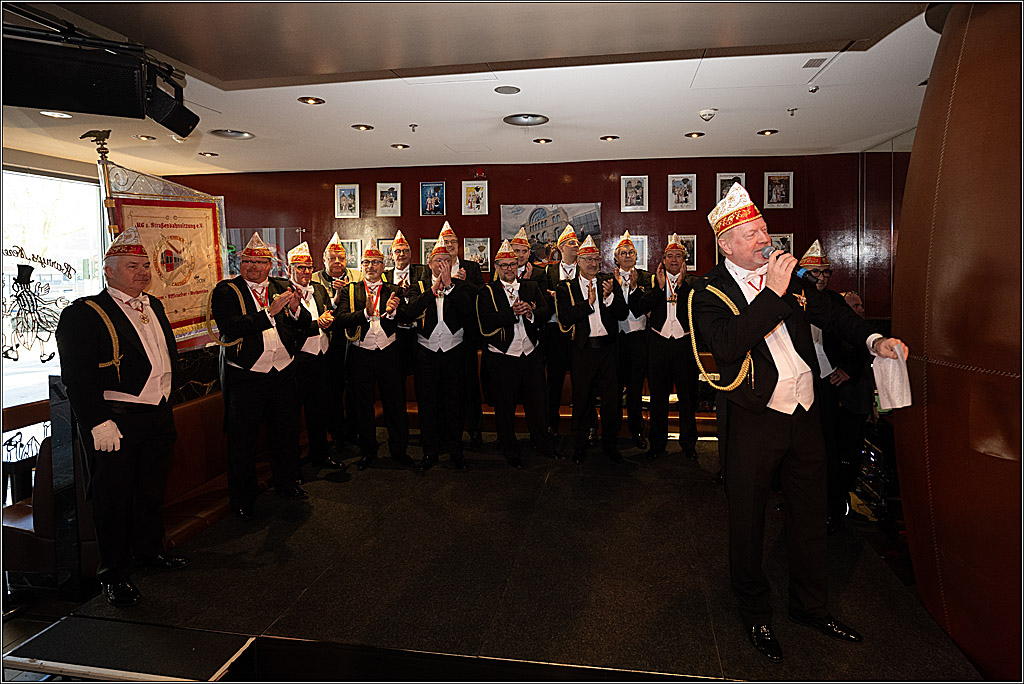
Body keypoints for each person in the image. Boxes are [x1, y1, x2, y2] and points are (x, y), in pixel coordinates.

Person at [692, 183, 908, 663]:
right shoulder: (706, 291)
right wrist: (771, 293)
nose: (764, 239)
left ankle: (810, 606)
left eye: (764, 229)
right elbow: (726, 347)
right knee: (747, 520)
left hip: (806, 413)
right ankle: (755, 613)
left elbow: (835, 318)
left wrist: (875, 341)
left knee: (810, 515)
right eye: (752, 233)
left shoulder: (796, 278)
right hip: (753, 418)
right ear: (726, 244)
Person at [55, 227, 187, 607]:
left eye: (146, 266)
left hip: (158, 415)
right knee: (113, 500)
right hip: (117, 420)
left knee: (150, 491)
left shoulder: (154, 305)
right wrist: (98, 422)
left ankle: (149, 552)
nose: (143, 272)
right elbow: (77, 377)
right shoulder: (84, 314)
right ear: (109, 271)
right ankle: (114, 575)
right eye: (133, 266)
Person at [211, 232, 312, 522]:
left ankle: (287, 483)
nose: (252, 267)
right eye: (246, 261)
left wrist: (294, 310)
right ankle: (242, 499)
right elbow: (230, 326)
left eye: (258, 262)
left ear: (270, 265)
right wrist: (270, 312)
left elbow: (304, 324)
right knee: (242, 441)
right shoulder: (227, 291)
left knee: (286, 432)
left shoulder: (282, 286)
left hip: (282, 374)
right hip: (247, 378)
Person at [334, 244, 414, 471]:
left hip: (389, 352)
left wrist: (394, 311)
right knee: (362, 406)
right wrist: (365, 314)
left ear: (384, 266)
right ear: (361, 266)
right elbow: (340, 320)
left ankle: (399, 450)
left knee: (395, 404)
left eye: (376, 262)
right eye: (366, 263)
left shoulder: (394, 289)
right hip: (361, 354)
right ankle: (368, 450)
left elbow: (408, 317)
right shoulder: (351, 290)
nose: (371, 267)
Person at [477, 239, 555, 468]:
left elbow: (546, 311)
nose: (509, 269)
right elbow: (485, 323)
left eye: (512, 264)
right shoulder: (486, 291)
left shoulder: (530, 287)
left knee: (537, 405)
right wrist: (511, 314)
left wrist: (530, 312)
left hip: (530, 355)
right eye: (504, 265)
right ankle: (510, 450)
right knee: (505, 407)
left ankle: (542, 444)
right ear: (497, 267)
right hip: (502, 357)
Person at [404, 237, 476, 473]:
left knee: (455, 403)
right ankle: (429, 451)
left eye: (447, 259)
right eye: (438, 260)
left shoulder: (461, 286)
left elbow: (468, 311)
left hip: (454, 352)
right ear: (430, 263)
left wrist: (450, 286)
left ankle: (456, 451)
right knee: (428, 404)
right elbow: (409, 312)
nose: (442, 264)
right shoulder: (418, 285)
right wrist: (433, 289)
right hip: (426, 353)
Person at [555, 235, 628, 463]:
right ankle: (579, 445)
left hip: (607, 350)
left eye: (596, 259)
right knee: (582, 399)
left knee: (611, 400)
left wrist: (607, 298)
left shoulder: (607, 282)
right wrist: (587, 305)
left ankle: (610, 444)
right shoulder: (565, 287)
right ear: (578, 261)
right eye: (588, 260)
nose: (593, 264)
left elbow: (622, 313)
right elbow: (565, 317)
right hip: (583, 351)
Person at [636, 233, 699, 461]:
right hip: (659, 345)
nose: (674, 260)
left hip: (683, 345)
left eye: (678, 256)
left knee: (687, 397)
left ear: (684, 260)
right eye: (669, 256)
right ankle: (657, 444)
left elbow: (699, 312)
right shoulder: (652, 282)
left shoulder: (693, 284)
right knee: (658, 398)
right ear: (662, 260)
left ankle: (689, 445)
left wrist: (680, 288)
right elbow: (640, 308)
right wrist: (660, 289)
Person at [287, 241, 344, 471]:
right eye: (300, 267)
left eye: (309, 267)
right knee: (291, 416)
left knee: (319, 411)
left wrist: (328, 321)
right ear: (290, 268)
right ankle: (292, 466)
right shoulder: (283, 292)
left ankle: (321, 455)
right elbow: (287, 327)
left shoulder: (319, 289)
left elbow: (327, 311)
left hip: (321, 359)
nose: (306, 272)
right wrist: (315, 324)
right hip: (298, 362)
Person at [311, 233, 362, 449]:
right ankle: (335, 431)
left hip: (353, 340)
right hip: (325, 342)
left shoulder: (358, 277)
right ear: (324, 260)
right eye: (332, 258)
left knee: (354, 387)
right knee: (331, 389)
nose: (337, 262)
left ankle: (353, 430)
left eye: (341, 258)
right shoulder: (313, 279)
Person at [439, 221, 486, 450]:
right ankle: (446, 433)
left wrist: (462, 282)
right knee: (445, 388)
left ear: (459, 246)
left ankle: (475, 430)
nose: (449, 246)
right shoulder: (432, 268)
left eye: (452, 243)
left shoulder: (471, 267)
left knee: (469, 386)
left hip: (465, 336)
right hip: (439, 338)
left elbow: (482, 295)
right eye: (445, 243)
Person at [534, 224, 583, 438]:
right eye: (572, 243)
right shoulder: (548, 271)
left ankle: (584, 426)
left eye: (577, 243)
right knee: (553, 381)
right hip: (555, 332)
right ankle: (550, 423)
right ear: (561, 247)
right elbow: (543, 300)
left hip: (581, 332)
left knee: (583, 380)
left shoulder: (585, 270)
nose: (576, 246)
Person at [611, 231, 651, 449]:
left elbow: (641, 308)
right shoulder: (607, 279)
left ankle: (637, 431)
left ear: (636, 257)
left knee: (635, 391)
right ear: (616, 258)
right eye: (622, 253)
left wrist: (634, 288)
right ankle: (613, 432)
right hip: (616, 341)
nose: (627, 256)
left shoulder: (647, 278)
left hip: (637, 340)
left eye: (631, 253)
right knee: (614, 391)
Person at [383, 230, 428, 378]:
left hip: (419, 330)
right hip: (395, 331)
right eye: (397, 251)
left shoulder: (422, 271)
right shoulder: (385, 276)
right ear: (392, 255)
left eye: (405, 251)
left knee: (422, 373)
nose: (401, 254)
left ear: (410, 253)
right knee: (397, 373)